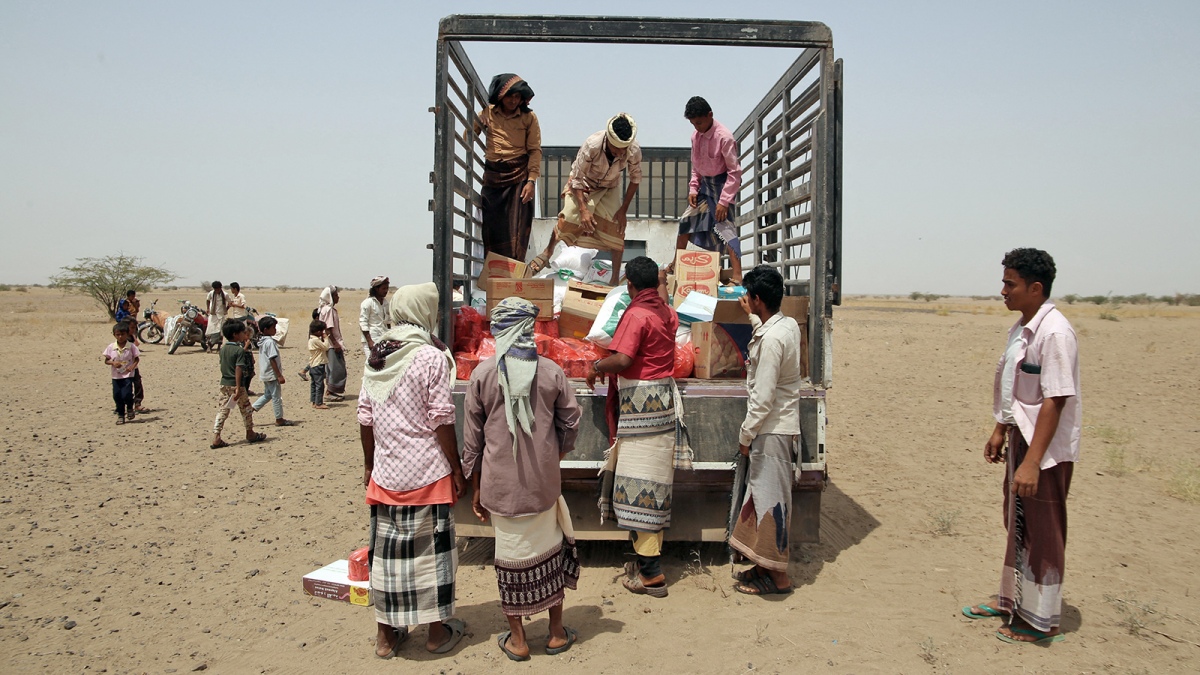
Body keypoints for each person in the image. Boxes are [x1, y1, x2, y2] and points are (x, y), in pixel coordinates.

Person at [962, 248, 1081, 646]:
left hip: (1043, 450)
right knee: (1017, 522)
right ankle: (1013, 599)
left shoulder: (1055, 333)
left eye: (1010, 284)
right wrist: (1000, 429)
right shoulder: (1022, 328)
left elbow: (1055, 399)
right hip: (1020, 440)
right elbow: (1017, 388)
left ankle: (1041, 620)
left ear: (1035, 287)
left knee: (1043, 530)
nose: (1003, 291)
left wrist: (1032, 462)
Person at [461, 297, 582, 661]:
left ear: (499, 330)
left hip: (501, 488)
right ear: (529, 329)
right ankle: (556, 632)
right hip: (543, 487)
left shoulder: (483, 374)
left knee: (510, 559)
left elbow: (473, 441)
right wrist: (552, 457)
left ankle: (518, 640)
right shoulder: (551, 371)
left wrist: (477, 487)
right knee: (550, 551)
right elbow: (572, 421)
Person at [358, 282, 467, 659]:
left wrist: (371, 466)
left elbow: (365, 418)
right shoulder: (430, 357)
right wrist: (455, 468)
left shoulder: (378, 356)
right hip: (427, 474)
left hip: (387, 476)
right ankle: (435, 634)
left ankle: (386, 637)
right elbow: (441, 419)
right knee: (433, 557)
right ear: (424, 312)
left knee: (386, 556)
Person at [586, 256, 690, 597]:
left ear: (630, 286)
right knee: (655, 482)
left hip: (640, 405)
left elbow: (625, 360)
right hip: (663, 401)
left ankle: (651, 572)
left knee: (637, 485)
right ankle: (648, 562)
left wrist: (596, 366)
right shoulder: (668, 313)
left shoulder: (636, 314)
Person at [729, 265, 801, 596]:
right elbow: (768, 338)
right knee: (760, 497)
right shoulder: (786, 326)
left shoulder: (771, 341)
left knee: (771, 502)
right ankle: (762, 567)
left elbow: (762, 398)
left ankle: (779, 579)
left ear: (757, 299)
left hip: (771, 430)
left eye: (748, 296)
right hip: (777, 427)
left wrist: (745, 437)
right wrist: (753, 320)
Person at [529, 114, 642, 283]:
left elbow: (635, 180)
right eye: (615, 149)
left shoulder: (633, 150)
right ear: (608, 141)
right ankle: (548, 251)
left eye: (622, 150)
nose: (619, 153)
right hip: (583, 184)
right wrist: (583, 209)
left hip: (610, 187)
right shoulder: (592, 144)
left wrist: (623, 210)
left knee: (617, 229)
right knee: (568, 217)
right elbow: (576, 178)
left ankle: (613, 280)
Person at [475, 73, 541, 262]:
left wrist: (531, 181)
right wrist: (479, 121)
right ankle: (495, 272)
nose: (513, 100)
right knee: (492, 226)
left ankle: (513, 276)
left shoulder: (529, 118)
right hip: (493, 176)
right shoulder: (487, 113)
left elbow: (535, 150)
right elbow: (466, 137)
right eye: (510, 96)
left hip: (519, 176)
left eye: (517, 96)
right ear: (500, 96)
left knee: (516, 230)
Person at [677, 96, 744, 283]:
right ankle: (677, 265)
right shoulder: (695, 137)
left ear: (710, 115)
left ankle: (737, 275)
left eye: (699, 122)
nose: (696, 127)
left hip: (723, 186)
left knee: (726, 228)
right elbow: (696, 166)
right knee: (685, 222)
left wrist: (724, 201)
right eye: (693, 124)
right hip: (704, 187)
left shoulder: (724, 137)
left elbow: (735, 172)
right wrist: (693, 188)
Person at [210, 320, 266, 449]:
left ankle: (216, 435)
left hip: (224, 383)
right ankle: (250, 433)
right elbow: (238, 368)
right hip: (236, 385)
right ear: (235, 334)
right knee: (246, 409)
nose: (244, 334)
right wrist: (238, 387)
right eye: (242, 332)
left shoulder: (223, 349)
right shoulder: (238, 350)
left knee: (223, 410)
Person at [250, 316, 294, 426]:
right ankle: (279, 419)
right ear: (266, 330)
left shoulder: (263, 341)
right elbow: (272, 359)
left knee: (268, 395)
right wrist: (279, 375)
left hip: (266, 373)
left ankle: (251, 409)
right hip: (272, 374)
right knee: (276, 397)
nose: (275, 330)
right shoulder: (269, 342)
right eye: (273, 327)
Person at [102, 323, 140, 424]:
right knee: (117, 395)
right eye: (118, 334)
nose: (120, 337)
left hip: (128, 375)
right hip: (116, 376)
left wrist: (132, 367)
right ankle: (121, 415)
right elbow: (106, 360)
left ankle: (130, 408)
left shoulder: (131, 346)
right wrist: (113, 363)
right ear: (114, 335)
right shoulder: (111, 347)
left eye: (122, 334)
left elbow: (136, 359)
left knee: (127, 394)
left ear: (127, 334)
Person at [317, 286, 346, 401]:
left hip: (328, 343)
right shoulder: (328, 310)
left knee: (331, 368)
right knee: (336, 368)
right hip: (331, 344)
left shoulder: (325, 309)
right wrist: (335, 344)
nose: (338, 297)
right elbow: (328, 328)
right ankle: (329, 392)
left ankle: (331, 391)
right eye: (336, 295)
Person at [359, 276, 390, 357]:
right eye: (383, 288)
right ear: (377, 289)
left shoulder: (386, 303)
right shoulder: (368, 303)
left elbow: (388, 322)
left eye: (387, 288)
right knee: (372, 364)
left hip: (383, 339)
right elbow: (363, 323)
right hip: (372, 339)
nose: (386, 291)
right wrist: (370, 341)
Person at [307, 320, 330, 410]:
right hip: (318, 364)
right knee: (320, 384)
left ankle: (314, 401)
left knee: (314, 384)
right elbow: (325, 347)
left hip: (313, 364)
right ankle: (319, 403)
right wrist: (326, 338)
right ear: (318, 332)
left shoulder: (311, 340)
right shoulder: (316, 340)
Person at [205, 281, 230, 351]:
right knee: (210, 331)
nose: (216, 291)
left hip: (221, 315)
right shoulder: (211, 293)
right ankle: (209, 346)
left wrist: (226, 309)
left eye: (217, 289)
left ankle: (219, 347)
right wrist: (207, 309)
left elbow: (230, 302)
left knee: (220, 332)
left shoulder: (225, 294)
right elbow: (207, 300)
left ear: (220, 288)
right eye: (215, 289)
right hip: (213, 315)